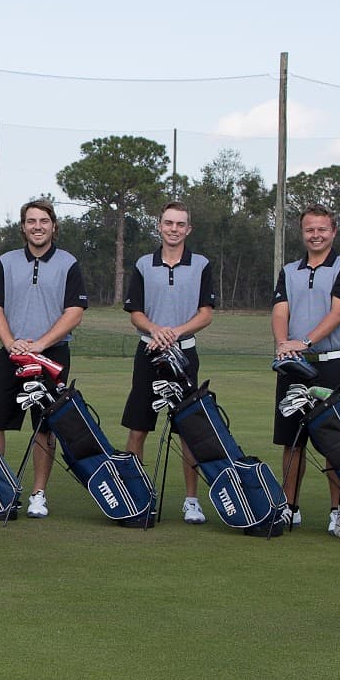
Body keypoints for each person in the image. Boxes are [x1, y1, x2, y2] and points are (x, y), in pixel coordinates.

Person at [0, 199, 87, 517]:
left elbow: (74, 312)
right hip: (12, 354)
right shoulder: (7, 261)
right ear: (23, 227)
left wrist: (41, 344)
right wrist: (10, 343)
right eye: (32, 221)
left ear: (54, 226)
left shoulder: (68, 263)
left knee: (45, 427)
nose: (38, 226)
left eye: (44, 220)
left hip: (52, 355)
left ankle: (38, 494)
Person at [122, 201, 218, 524]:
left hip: (185, 353)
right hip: (149, 351)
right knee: (138, 426)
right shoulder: (143, 264)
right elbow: (135, 311)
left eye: (180, 224)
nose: (174, 229)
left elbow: (205, 313)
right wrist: (156, 330)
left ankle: (191, 501)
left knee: (188, 429)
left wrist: (175, 332)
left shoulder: (201, 264)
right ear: (159, 226)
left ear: (188, 229)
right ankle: (134, 492)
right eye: (168, 223)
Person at [271, 204, 340, 533]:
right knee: (292, 441)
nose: (316, 235)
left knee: (334, 442)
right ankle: (289, 507)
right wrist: (284, 344)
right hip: (294, 366)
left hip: (330, 364)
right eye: (310, 229)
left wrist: (304, 342)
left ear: (333, 232)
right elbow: (281, 311)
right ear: (302, 232)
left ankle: (338, 510)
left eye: (322, 229)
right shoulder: (290, 270)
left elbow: (338, 313)